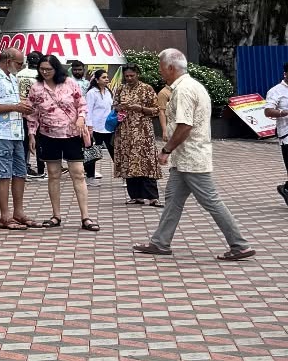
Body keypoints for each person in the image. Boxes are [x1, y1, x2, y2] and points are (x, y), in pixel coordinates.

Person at [135, 50, 253, 263]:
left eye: (161, 68)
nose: (160, 72)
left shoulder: (184, 90)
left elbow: (185, 126)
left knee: (211, 201)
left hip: (191, 158)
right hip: (185, 159)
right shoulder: (192, 86)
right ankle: (160, 242)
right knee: (173, 199)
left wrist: (166, 150)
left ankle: (239, 245)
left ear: (171, 68)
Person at [24, 56, 98, 231]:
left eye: (48, 69)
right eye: (42, 69)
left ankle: (85, 217)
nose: (45, 72)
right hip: (48, 135)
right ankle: (56, 215)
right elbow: (32, 113)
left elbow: (82, 104)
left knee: (78, 173)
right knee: (53, 174)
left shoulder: (69, 83)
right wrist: (32, 134)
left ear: (56, 68)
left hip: (72, 134)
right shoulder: (36, 87)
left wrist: (81, 118)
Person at [0, 45, 32, 230]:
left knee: (20, 172)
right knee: (4, 174)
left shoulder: (12, 77)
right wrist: (15, 107)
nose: (21, 66)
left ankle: (19, 212)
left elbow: (12, 103)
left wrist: (22, 107)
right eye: (19, 63)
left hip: (16, 132)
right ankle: (5, 216)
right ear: (8, 61)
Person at [113, 65, 163, 206]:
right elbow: (114, 106)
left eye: (132, 76)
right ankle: (136, 196)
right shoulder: (120, 89)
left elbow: (156, 110)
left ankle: (152, 197)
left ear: (138, 74)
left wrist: (140, 108)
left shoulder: (147, 89)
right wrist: (120, 107)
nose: (129, 78)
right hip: (125, 132)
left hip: (143, 132)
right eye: (127, 76)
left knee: (146, 162)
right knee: (129, 162)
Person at [83, 69, 115, 180]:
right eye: (103, 77)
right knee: (93, 153)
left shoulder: (108, 92)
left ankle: (123, 176)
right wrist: (89, 127)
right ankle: (90, 175)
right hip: (95, 128)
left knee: (114, 152)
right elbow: (88, 111)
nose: (106, 79)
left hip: (108, 127)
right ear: (97, 80)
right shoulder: (92, 93)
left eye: (107, 77)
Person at [264, 59, 288, 204]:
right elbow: (268, 111)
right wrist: (284, 112)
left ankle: (286, 188)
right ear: (285, 74)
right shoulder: (275, 91)